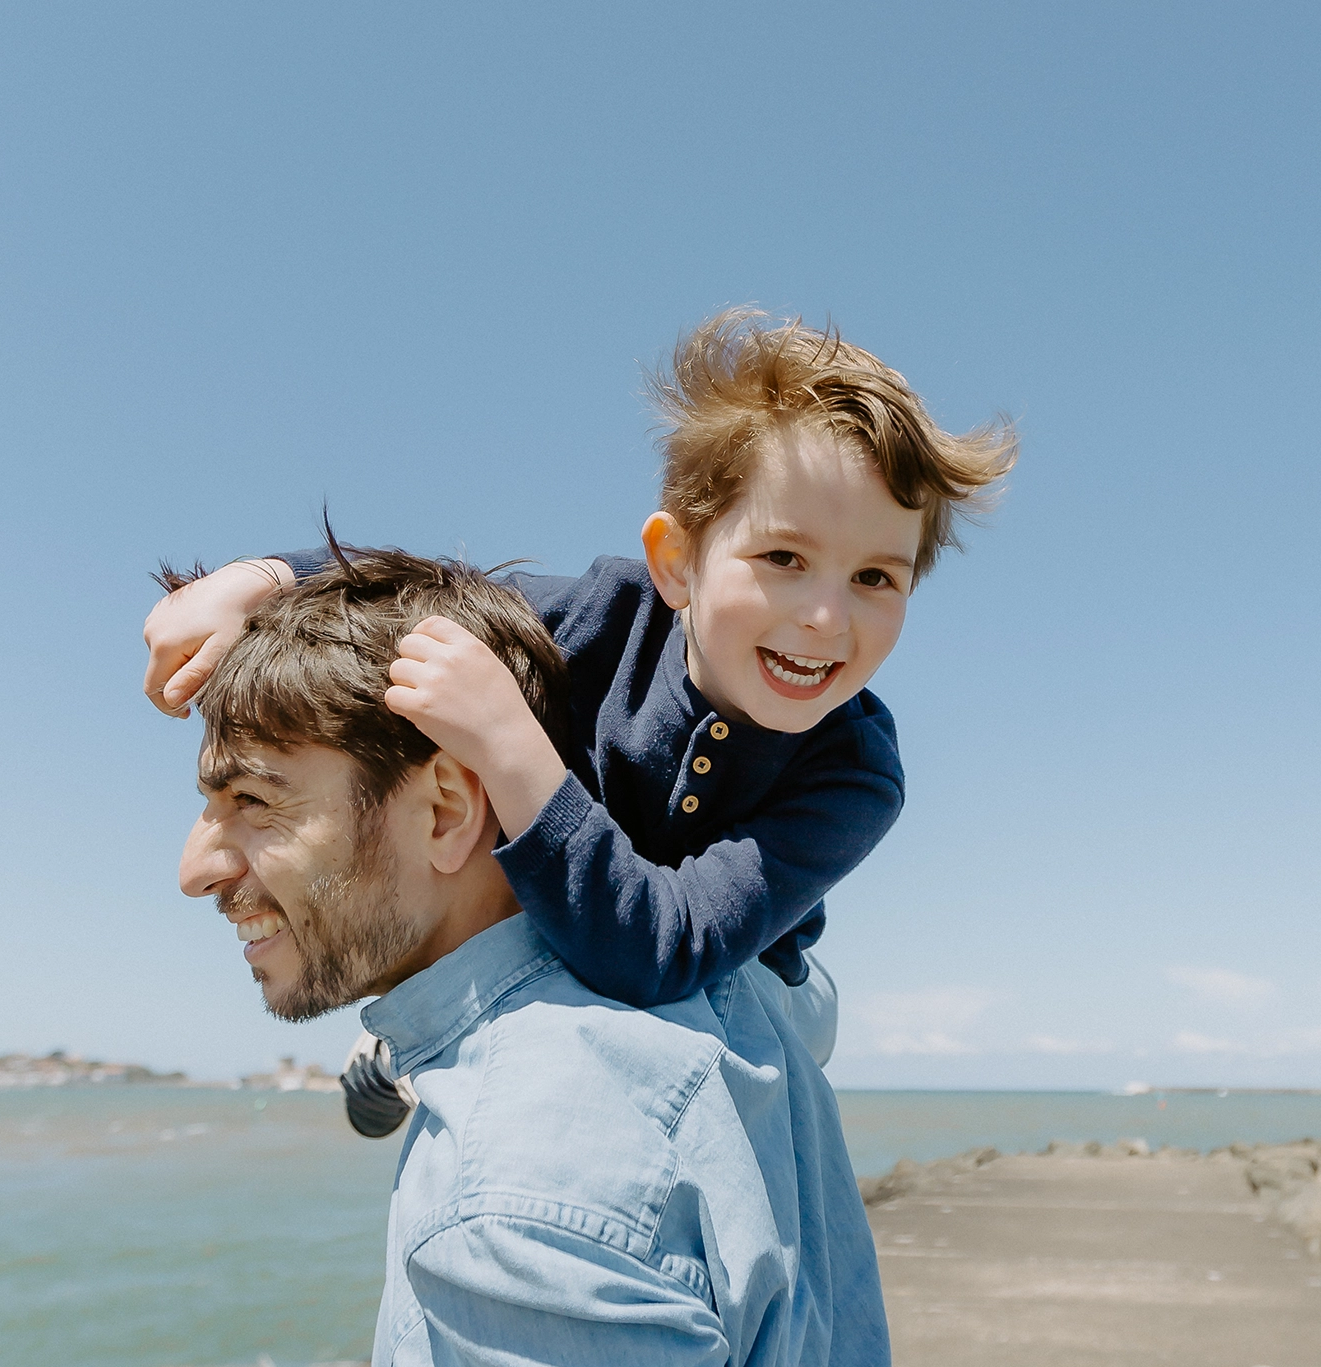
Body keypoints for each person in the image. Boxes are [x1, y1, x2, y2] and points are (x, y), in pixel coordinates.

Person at [176, 547, 913, 1367]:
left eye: (255, 804)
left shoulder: (514, 1199)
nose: (199, 865)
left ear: (453, 811)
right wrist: (269, 575)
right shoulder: (741, 1027)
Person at [146, 313, 1015, 1127]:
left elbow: (665, 950)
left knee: (751, 1028)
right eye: (784, 558)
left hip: (751, 967)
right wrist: (257, 578)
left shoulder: (854, 770)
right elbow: (419, 594)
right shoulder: (600, 616)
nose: (828, 617)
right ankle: (403, 1032)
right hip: (557, 921)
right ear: (677, 563)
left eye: (876, 578)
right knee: (510, 929)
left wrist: (511, 743)